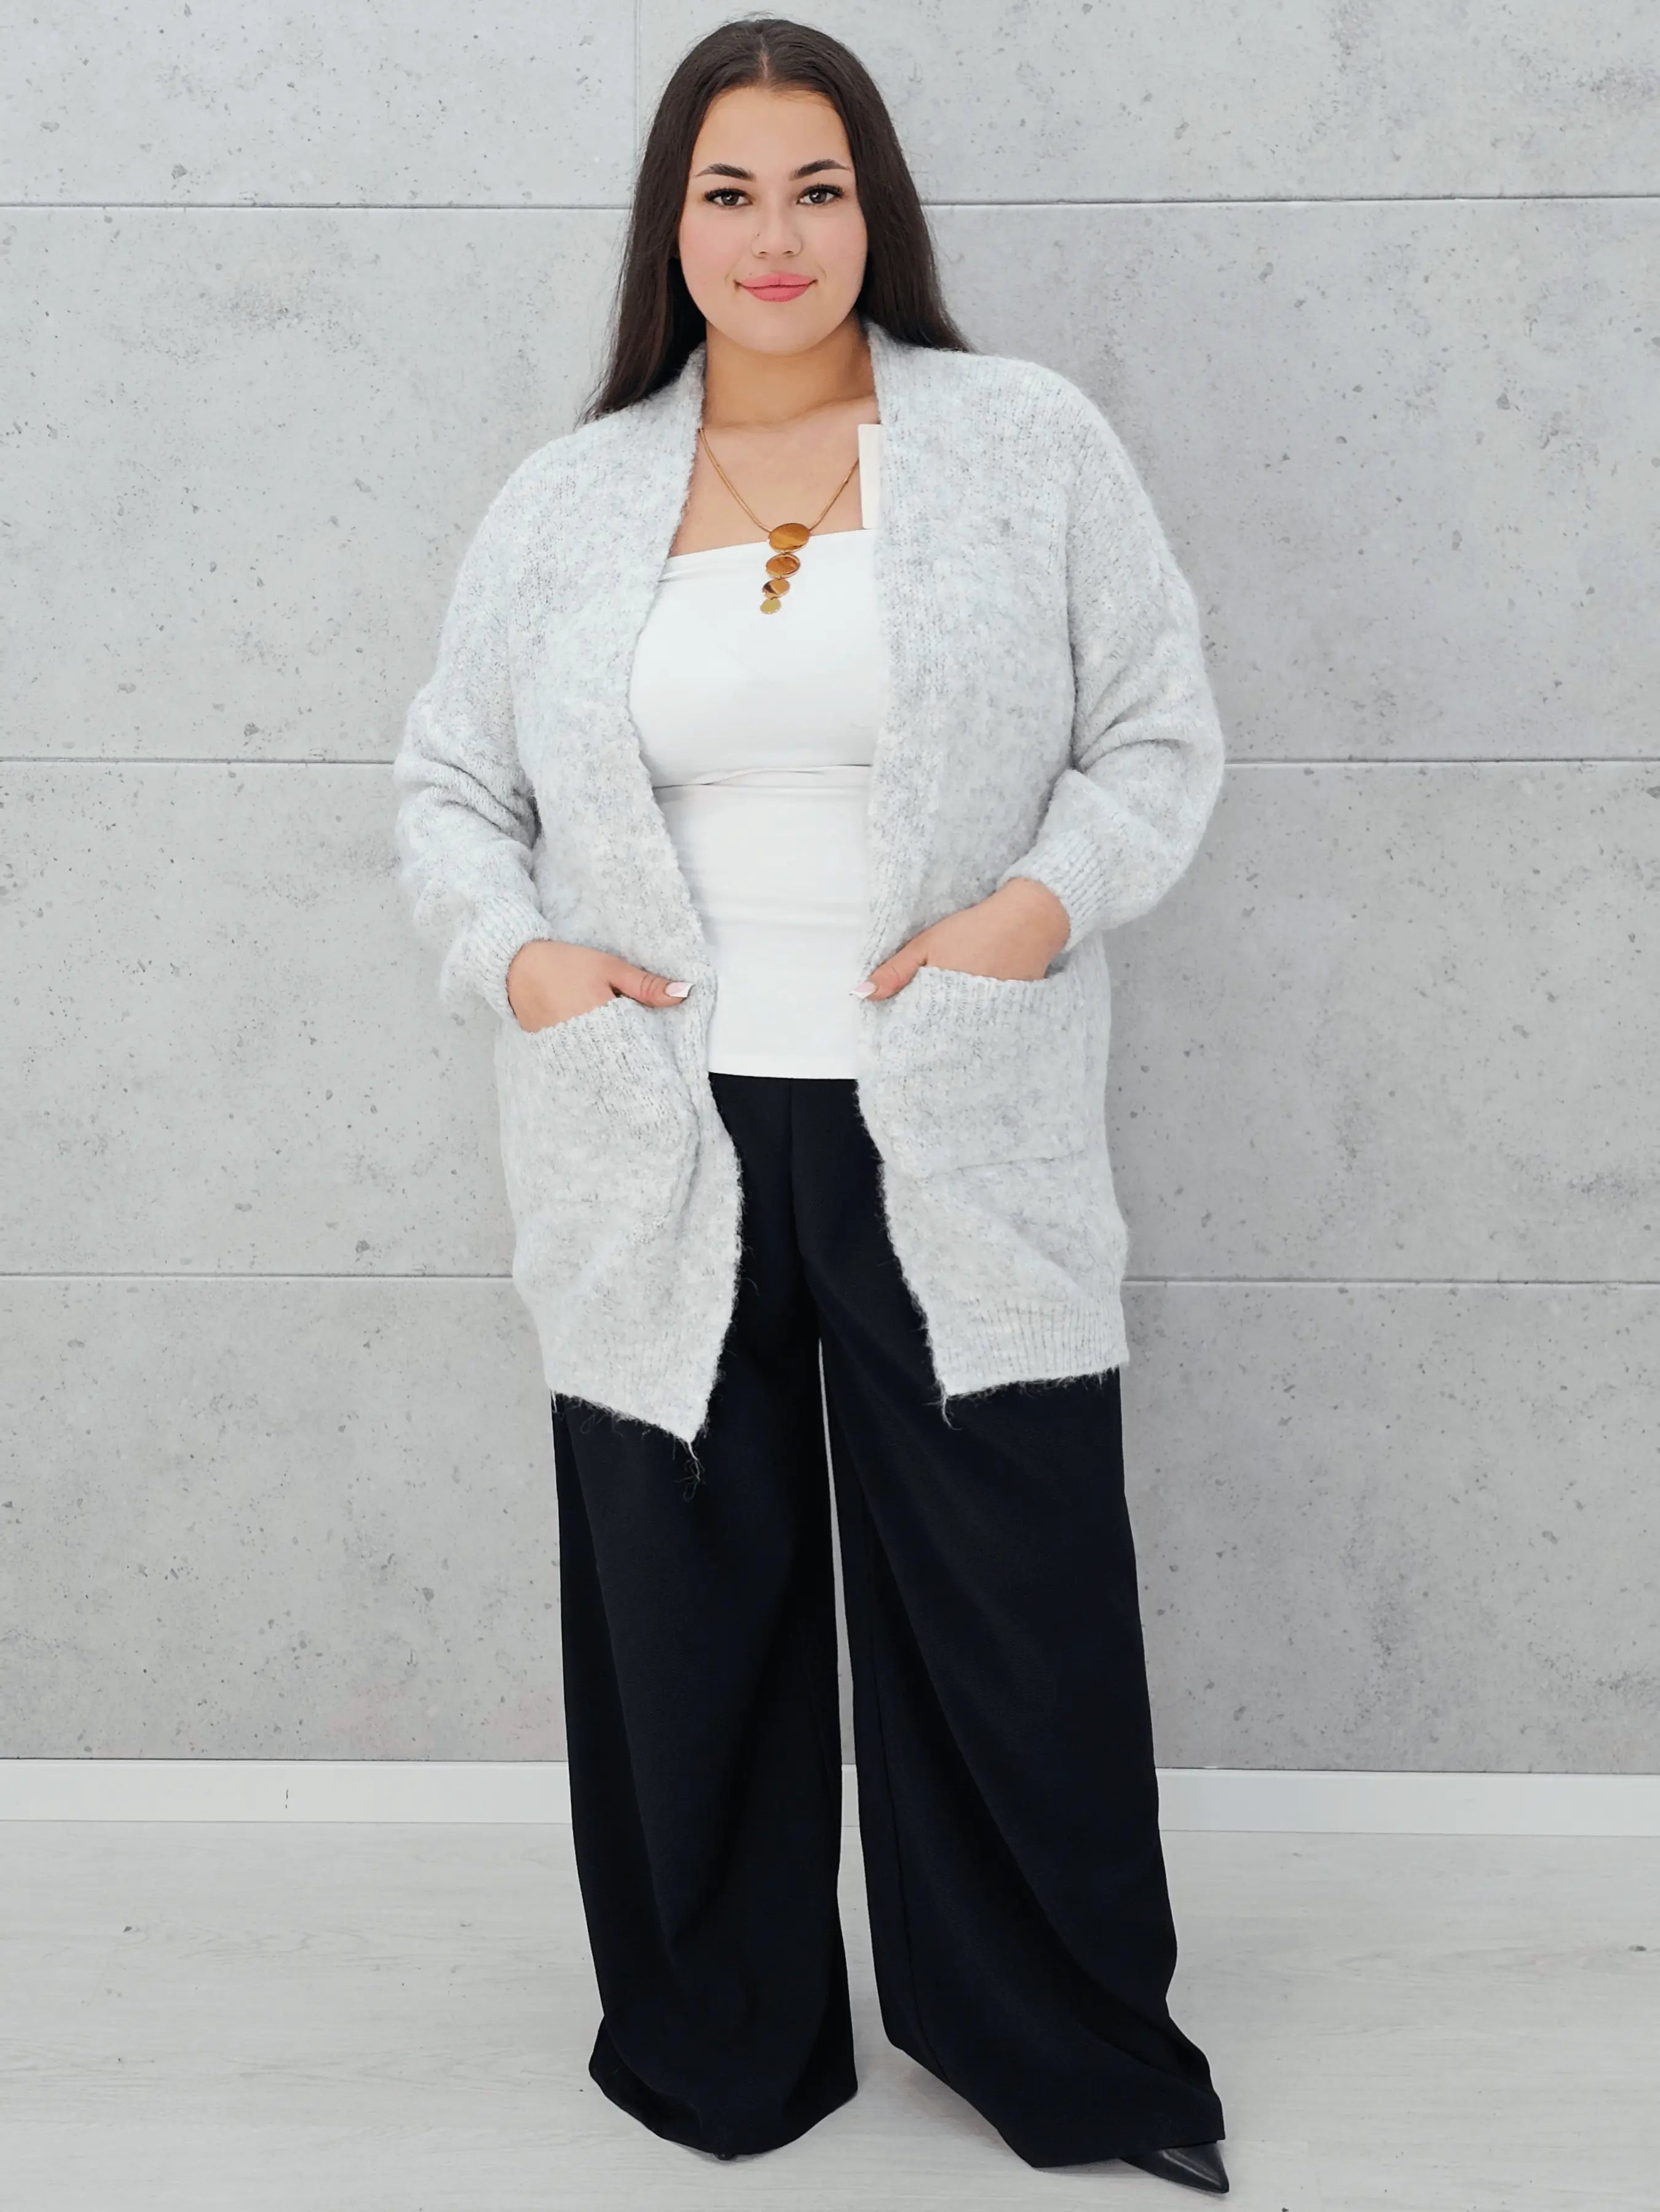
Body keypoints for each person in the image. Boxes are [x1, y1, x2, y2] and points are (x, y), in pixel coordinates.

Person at [392, 14, 1230, 2196]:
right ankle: (721, 2043)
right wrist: (522, 962)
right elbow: (449, 788)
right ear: (670, 226)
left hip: (951, 1109)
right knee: (687, 1613)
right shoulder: (571, 495)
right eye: (728, 191)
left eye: (817, 187)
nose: (775, 236)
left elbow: (1154, 736)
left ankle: (1063, 2047)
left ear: (877, 210)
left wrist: (1030, 913)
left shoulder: (1023, 442)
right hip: (655, 1128)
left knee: (1014, 1604)